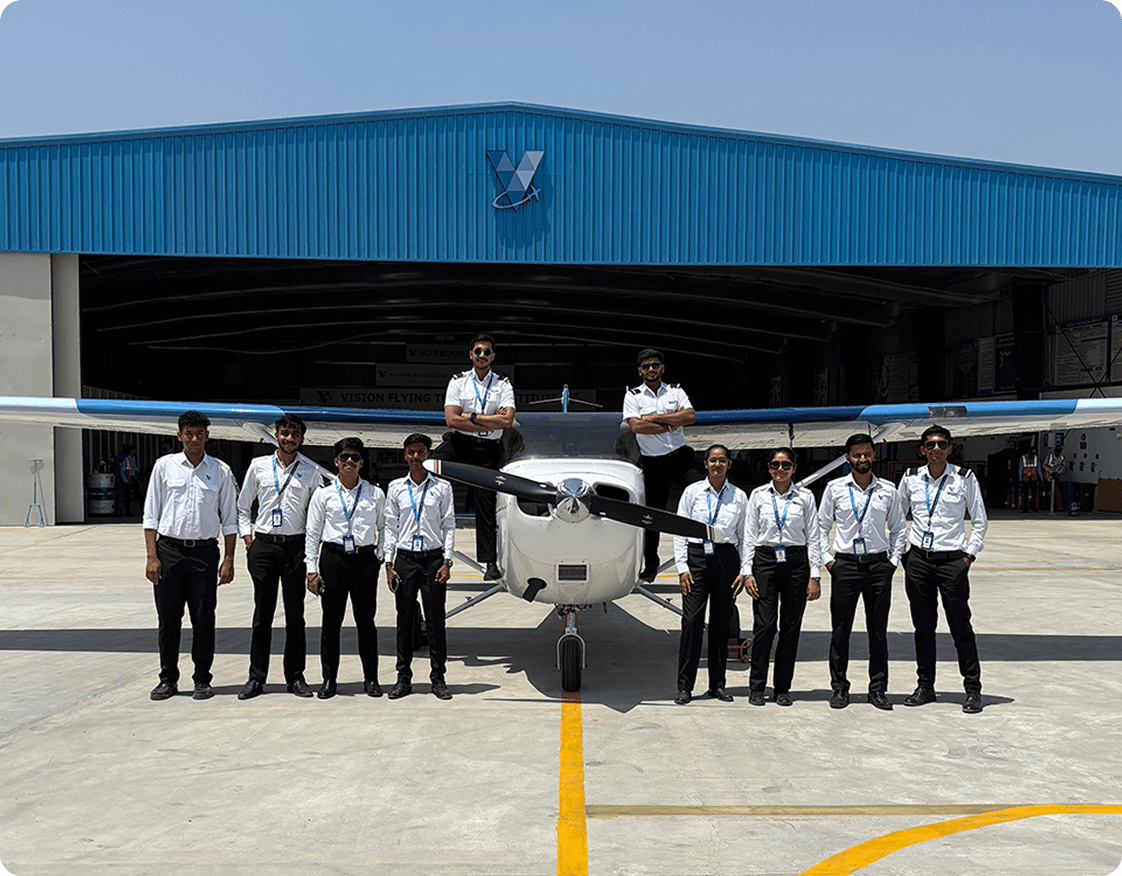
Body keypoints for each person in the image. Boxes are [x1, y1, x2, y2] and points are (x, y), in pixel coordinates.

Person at [142, 411, 238, 701]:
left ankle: (202, 679)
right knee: (168, 619)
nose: (194, 439)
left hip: (205, 555)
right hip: (168, 551)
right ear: (179, 435)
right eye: (189, 433)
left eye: (199, 433)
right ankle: (168, 679)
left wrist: (229, 560)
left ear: (207, 436)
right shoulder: (164, 467)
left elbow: (230, 519)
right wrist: (151, 557)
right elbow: (150, 516)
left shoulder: (221, 471)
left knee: (203, 618)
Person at [898, 425, 988, 714]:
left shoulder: (964, 478)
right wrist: (903, 555)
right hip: (919, 562)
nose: (936, 449)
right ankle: (925, 686)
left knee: (961, 627)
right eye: (930, 444)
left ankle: (973, 689)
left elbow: (980, 520)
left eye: (941, 444)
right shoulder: (911, 479)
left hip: (952, 562)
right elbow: (898, 519)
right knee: (923, 628)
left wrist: (967, 558)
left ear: (950, 448)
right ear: (922, 449)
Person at [235, 414, 323, 700]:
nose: (289, 438)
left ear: (302, 439)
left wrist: (311, 557)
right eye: (284, 433)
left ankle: (295, 677)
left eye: (295, 434)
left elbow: (316, 518)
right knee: (262, 615)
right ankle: (256, 678)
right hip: (263, 547)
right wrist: (248, 539)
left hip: (294, 548)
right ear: (276, 435)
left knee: (295, 616)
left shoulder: (311, 472)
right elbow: (242, 506)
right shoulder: (258, 467)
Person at [817, 433, 907, 711]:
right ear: (848, 458)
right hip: (844, 566)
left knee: (877, 631)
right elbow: (820, 528)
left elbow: (899, 528)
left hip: (879, 567)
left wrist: (892, 562)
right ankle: (840, 688)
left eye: (867, 453)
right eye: (857, 454)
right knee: (840, 631)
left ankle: (878, 689)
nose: (862, 459)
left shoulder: (888, 490)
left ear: (874, 455)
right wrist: (828, 561)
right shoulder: (834, 489)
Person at [304, 437, 386, 699]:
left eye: (354, 457)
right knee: (331, 622)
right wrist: (311, 569)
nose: (349, 461)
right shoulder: (323, 494)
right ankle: (329, 679)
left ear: (362, 463)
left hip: (364, 560)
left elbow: (385, 527)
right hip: (333, 559)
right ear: (336, 462)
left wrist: (380, 556)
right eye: (344, 457)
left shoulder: (375, 493)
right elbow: (312, 533)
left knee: (366, 622)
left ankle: (371, 679)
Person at [432, 333, 515, 581]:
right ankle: (429, 547)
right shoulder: (458, 381)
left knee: (486, 501)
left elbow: (507, 421)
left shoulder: (503, 384)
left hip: (487, 449)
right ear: (471, 355)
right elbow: (451, 419)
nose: (482, 355)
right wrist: (487, 420)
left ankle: (490, 563)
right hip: (459, 444)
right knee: (429, 469)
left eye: (487, 352)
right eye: (478, 351)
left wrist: (470, 417)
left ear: (493, 356)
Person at [743, 448, 821, 706]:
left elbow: (814, 537)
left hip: (796, 562)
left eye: (785, 464)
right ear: (768, 468)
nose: (780, 469)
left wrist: (815, 575)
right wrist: (747, 572)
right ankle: (756, 686)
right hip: (765, 562)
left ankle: (782, 688)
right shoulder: (757, 496)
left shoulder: (806, 497)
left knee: (790, 627)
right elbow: (749, 537)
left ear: (794, 468)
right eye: (775, 465)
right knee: (765, 626)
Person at [671, 444, 748, 704]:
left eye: (722, 460)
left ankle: (718, 685)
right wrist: (682, 567)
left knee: (720, 625)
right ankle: (685, 686)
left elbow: (746, 536)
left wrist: (744, 569)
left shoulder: (739, 496)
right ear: (705, 464)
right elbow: (680, 530)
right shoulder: (692, 493)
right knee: (691, 622)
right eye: (713, 460)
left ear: (729, 464)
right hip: (697, 560)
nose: (718, 464)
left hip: (726, 560)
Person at [383, 433, 456, 701]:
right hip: (405, 560)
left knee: (436, 621)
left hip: (433, 560)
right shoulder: (395, 488)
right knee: (404, 621)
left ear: (428, 455)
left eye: (421, 452)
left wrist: (447, 561)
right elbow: (390, 526)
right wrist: (388, 563)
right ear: (404, 455)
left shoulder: (442, 488)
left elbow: (448, 525)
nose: (416, 457)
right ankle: (404, 678)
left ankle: (438, 678)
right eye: (411, 452)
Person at [623, 348, 701, 582]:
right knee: (652, 515)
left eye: (655, 365)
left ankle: (703, 555)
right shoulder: (633, 395)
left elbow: (689, 417)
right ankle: (651, 563)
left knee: (703, 497)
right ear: (640, 371)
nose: (651, 369)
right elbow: (636, 427)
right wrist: (670, 423)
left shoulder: (675, 391)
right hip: (654, 463)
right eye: (646, 366)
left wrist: (653, 419)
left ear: (662, 368)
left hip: (681, 457)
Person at [115, 444, 139, 516]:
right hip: (127, 479)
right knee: (127, 496)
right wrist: (126, 480)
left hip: (133, 478)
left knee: (137, 495)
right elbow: (122, 471)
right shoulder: (125, 460)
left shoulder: (132, 458)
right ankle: (127, 511)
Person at [1019, 444, 1040, 512]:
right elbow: (1020, 469)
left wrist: (1041, 479)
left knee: (1034, 494)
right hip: (1025, 478)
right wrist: (1020, 480)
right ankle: (1025, 508)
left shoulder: (1036, 458)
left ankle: (1033, 506)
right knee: (1025, 494)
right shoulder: (1023, 458)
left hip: (1033, 478)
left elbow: (1038, 469)